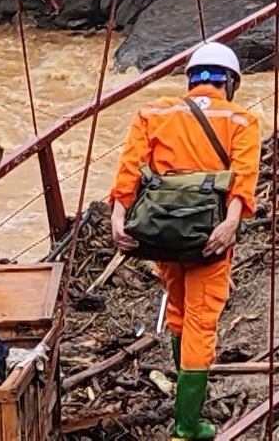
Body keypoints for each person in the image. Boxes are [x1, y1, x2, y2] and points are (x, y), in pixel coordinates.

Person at [108, 42, 260, 441]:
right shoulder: (241, 120)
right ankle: (187, 426)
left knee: (177, 309)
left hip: (159, 233)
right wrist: (230, 224)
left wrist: (118, 215)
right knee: (201, 321)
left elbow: (130, 169)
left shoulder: (152, 112)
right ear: (229, 82)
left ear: (191, 79)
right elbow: (243, 178)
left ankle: (184, 402)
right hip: (208, 235)